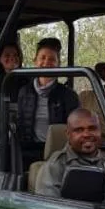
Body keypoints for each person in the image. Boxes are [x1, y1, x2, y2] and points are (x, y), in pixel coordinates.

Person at [16, 36, 79, 166]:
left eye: (52, 59)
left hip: (58, 155)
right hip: (28, 151)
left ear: (58, 64)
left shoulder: (68, 96)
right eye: (42, 58)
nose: (46, 62)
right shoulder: (24, 92)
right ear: (35, 61)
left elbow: (75, 131)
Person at [36, 108, 105, 198]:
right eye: (79, 130)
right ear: (68, 134)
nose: (86, 134)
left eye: (92, 128)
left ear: (100, 131)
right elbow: (48, 206)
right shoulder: (55, 165)